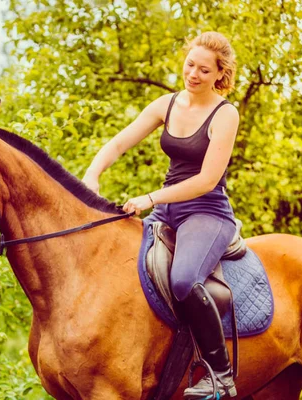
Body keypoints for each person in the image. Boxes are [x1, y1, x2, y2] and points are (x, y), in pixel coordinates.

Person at [82, 32, 240, 399]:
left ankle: (221, 374)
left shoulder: (225, 114)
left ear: (219, 74)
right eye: (190, 64)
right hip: (167, 212)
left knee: (184, 280)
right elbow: (119, 142)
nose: (194, 74)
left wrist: (150, 197)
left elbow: (206, 180)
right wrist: (93, 173)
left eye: (204, 70)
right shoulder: (166, 104)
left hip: (207, 212)